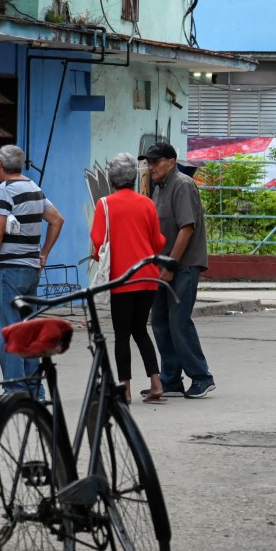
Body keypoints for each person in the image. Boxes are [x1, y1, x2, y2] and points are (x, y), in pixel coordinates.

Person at [0, 144, 64, 404]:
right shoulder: (34, 188)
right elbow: (57, 220)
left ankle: (14, 391)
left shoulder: (4, 190)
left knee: (8, 330)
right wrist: (44, 253)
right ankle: (35, 391)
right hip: (30, 270)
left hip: (10, 270)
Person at [142, 141, 216, 399]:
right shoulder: (159, 188)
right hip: (163, 266)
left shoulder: (182, 184)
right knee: (160, 320)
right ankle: (171, 378)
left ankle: (201, 376)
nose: (151, 167)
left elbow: (187, 228)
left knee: (178, 321)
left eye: (155, 162)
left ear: (171, 161)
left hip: (182, 266)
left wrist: (172, 264)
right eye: (148, 163)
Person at [91, 153, 166, 403]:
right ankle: (156, 383)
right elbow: (158, 242)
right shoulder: (147, 204)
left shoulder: (105, 205)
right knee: (141, 331)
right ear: (134, 177)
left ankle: (125, 390)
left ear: (111, 178)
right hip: (148, 278)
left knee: (122, 334)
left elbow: (98, 242)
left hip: (121, 279)